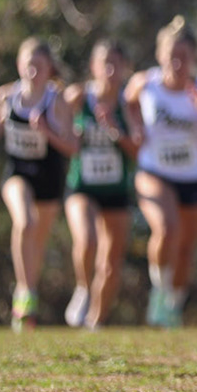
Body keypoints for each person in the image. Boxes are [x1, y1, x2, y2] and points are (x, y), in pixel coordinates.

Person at [125, 16, 197, 328]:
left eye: (184, 57)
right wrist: (135, 127)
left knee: (186, 248)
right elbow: (128, 103)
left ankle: (173, 306)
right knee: (166, 229)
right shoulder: (145, 83)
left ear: (194, 58)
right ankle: (159, 292)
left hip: (194, 175)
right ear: (159, 54)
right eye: (171, 56)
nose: (177, 63)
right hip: (154, 171)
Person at [0, 38, 79, 330]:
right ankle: (24, 293)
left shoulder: (57, 100)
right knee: (25, 222)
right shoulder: (7, 96)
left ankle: (26, 309)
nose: (32, 71)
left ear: (49, 69)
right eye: (28, 64)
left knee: (37, 245)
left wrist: (47, 132)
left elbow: (71, 147)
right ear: (19, 64)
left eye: (39, 66)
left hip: (48, 178)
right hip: (17, 173)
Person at [62, 40, 141, 329]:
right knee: (87, 240)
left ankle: (95, 322)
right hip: (82, 186)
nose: (109, 70)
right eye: (104, 63)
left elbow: (137, 150)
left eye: (115, 64)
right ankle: (83, 288)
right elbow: (54, 111)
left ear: (124, 69)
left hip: (116, 190)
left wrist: (115, 131)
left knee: (110, 265)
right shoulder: (79, 98)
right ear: (93, 67)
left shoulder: (128, 105)